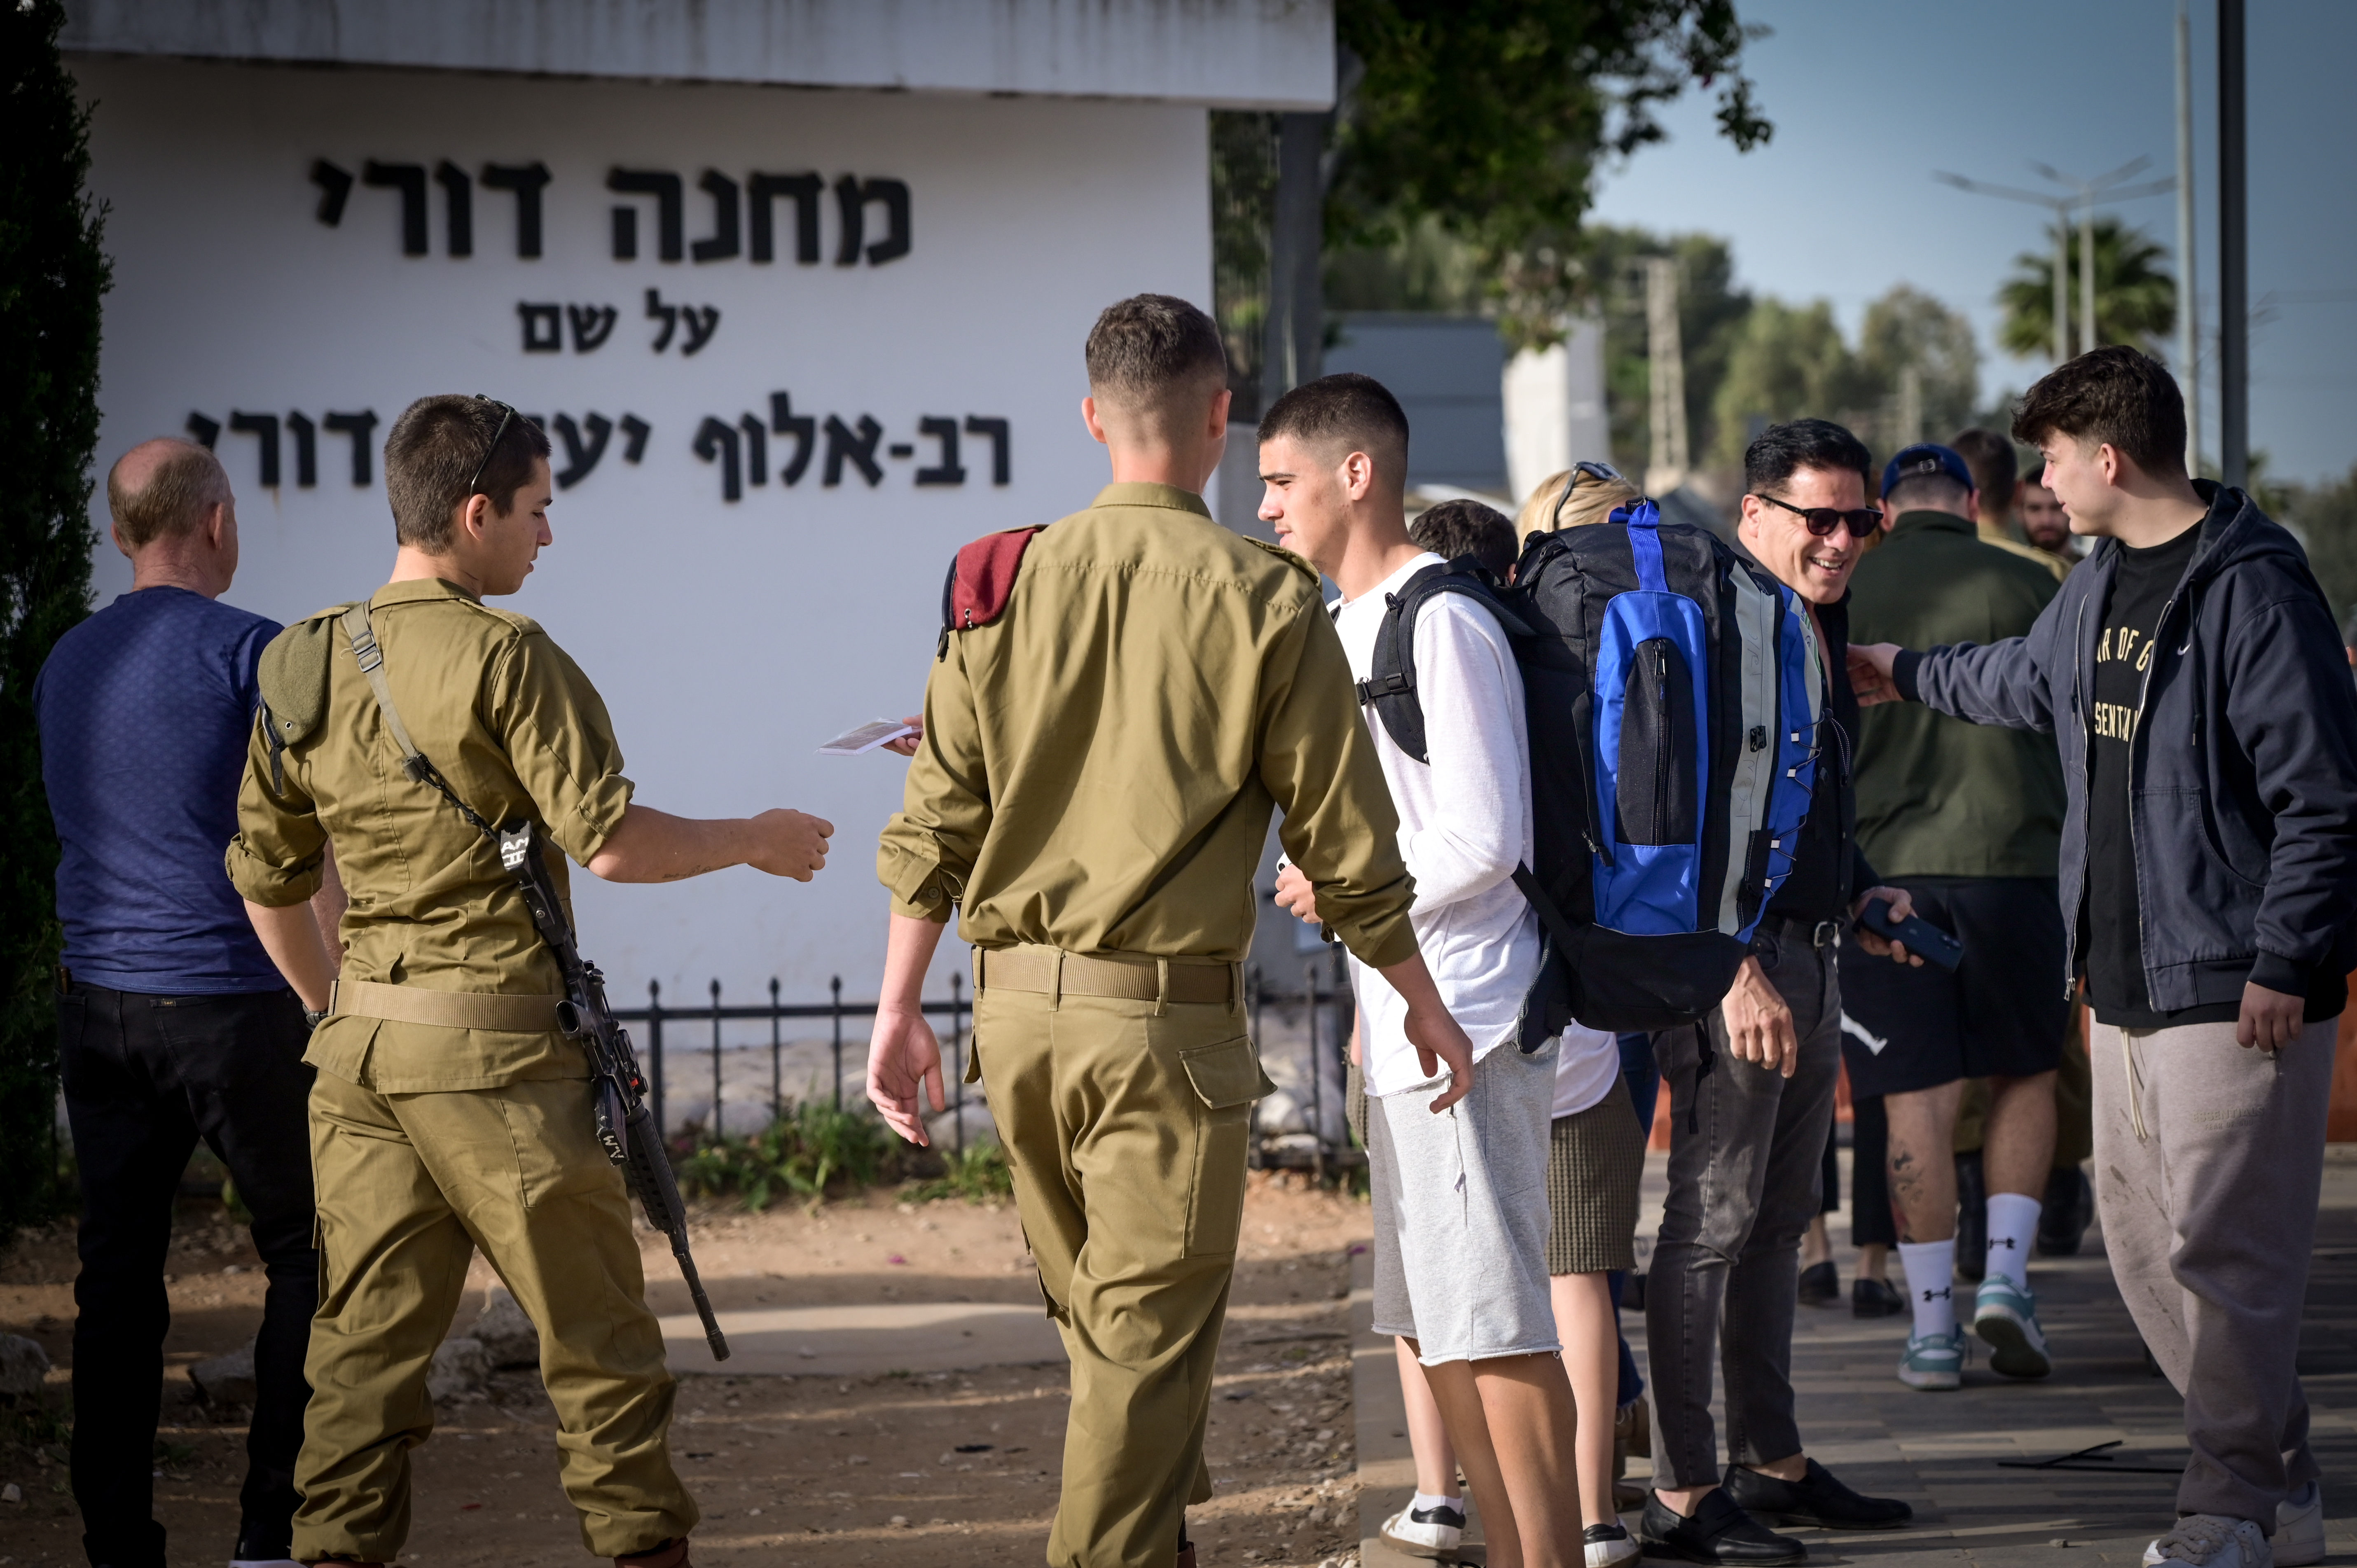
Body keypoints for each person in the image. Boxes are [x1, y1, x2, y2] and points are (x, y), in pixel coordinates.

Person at [866, 299, 1475, 1568]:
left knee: (1112, 1333)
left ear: (1091, 417)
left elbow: (935, 817)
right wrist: (1417, 995)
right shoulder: (1264, 595)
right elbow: (1345, 843)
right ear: (1218, 419)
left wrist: (894, 1007)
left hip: (1013, 1019)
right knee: (1139, 1344)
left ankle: (1160, 1545)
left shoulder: (997, 578)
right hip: (1158, 1028)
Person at [227, 395, 837, 1568]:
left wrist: (334, 1007)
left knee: (354, 1362)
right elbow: (613, 843)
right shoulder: (512, 657)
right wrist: (753, 835)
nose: (548, 535)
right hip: (500, 1063)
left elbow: (267, 875)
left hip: (361, 1061)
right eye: (538, 510)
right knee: (600, 1349)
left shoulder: (302, 659)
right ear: (474, 512)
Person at [1850, 346, 2357, 1568]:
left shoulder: (2251, 588)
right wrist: (1898, 673)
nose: (2042, 478)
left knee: (2227, 1262)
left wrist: (2284, 960)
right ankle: (2273, 1480)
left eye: (2052, 455)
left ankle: (2224, 1507)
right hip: (2117, 985)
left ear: (2106, 455)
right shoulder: (2092, 582)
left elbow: (2322, 799)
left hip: (2230, 986)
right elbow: (2024, 683)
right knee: (2143, 1254)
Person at [1325, 463, 1630, 1568]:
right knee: (1442, 1326)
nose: (1263, 502)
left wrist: (1346, 881)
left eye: (1277, 478)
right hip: (1409, 1014)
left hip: (1477, 1013)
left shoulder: (1443, 619)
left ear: (1353, 475)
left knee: (1500, 1321)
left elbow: (1485, 837)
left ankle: (1548, 1551)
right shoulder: (1347, 620)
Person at [34, 439, 330, 1568]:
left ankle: (118, 1540)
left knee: (116, 1276)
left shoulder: (66, 660)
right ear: (217, 524)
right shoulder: (258, 652)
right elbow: (312, 844)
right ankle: (269, 1530)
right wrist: (342, 992)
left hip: (98, 1004)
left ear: (120, 535)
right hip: (233, 1002)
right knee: (310, 1251)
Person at [1638, 419, 1918, 1566]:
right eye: (1819, 518)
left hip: (1810, 953)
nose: (1843, 539)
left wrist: (1857, 892)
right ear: (1753, 514)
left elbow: (1789, 810)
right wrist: (1732, 965)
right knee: (1707, 1221)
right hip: (1734, 967)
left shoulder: (1809, 619)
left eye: (1862, 519)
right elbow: (1681, 819)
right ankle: (1682, 1489)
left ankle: (1772, 1457)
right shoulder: (1716, 625)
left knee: (1772, 1223)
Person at [1841, 442, 2070, 1391]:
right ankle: (2007, 1279)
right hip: (2018, 864)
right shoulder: (2037, 582)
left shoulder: (1843, 583)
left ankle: (1931, 1327)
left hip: (1884, 879)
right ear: (1974, 503)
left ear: (1883, 512)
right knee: (2024, 1074)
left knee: (1913, 1099)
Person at [1950, 427, 2072, 583]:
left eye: (2055, 508)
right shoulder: (2054, 573)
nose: (2046, 520)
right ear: (2018, 493)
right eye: (2035, 509)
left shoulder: (1929, 567)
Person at [2016, 467, 2079, 561]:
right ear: (2020, 513)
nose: (2046, 521)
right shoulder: (2007, 572)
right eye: (2035, 509)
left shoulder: (2098, 573)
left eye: (2057, 508)